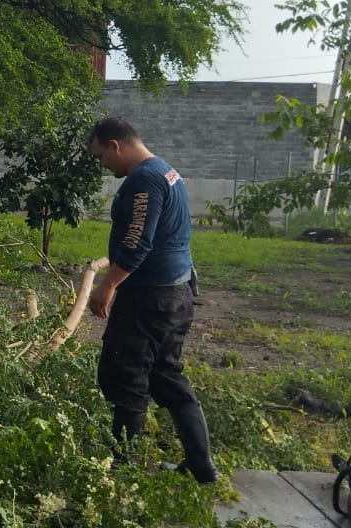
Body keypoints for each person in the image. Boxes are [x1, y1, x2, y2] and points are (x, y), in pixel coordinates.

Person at [86, 117, 218, 484]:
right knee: (166, 376)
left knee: (125, 376)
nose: (103, 165)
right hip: (175, 294)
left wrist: (107, 285)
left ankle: (123, 474)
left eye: (101, 156)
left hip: (149, 299)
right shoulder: (167, 172)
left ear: (115, 145)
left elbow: (137, 240)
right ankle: (201, 464)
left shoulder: (144, 179)